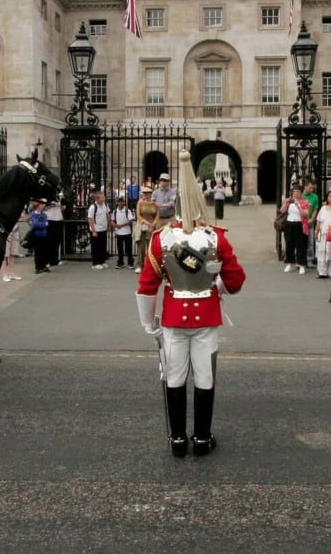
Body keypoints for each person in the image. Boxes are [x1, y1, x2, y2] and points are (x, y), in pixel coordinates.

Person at [135, 148, 246, 458]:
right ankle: (201, 437)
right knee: (205, 377)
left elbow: (147, 285)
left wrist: (148, 323)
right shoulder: (216, 238)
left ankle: (177, 439)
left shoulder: (160, 239)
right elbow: (236, 280)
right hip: (207, 317)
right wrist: (218, 284)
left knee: (174, 376)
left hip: (173, 318)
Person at [280, 184, 310, 275]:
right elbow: (282, 211)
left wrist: (298, 205)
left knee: (300, 245)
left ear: (301, 193)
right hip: (289, 224)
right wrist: (286, 203)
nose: (295, 194)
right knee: (289, 244)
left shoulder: (305, 202)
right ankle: (289, 263)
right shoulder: (290, 202)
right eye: (294, 192)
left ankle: (301, 264)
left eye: (297, 192)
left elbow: (305, 214)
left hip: (300, 224)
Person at [313, 190, 331, 279]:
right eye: (330, 196)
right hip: (323, 234)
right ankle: (322, 272)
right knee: (322, 252)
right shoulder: (323, 208)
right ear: (327, 198)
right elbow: (319, 221)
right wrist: (316, 231)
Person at [87, 188, 111, 269]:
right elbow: (90, 219)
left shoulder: (105, 205)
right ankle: (95, 263)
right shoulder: (93, 207)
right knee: (95, 247)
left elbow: (107, 215)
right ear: (97, 199)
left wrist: (109, 225)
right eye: (102, 197)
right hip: (96, 230)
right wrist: (94, 231)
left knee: (102, 246)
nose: (104, 198)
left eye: (103, 197)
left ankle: (102, 261)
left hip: (103, 229)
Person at [1, 206, 26, 282]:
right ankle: (5, 275)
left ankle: (11, 273)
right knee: (6, 254)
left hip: (15, 228)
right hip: (6, 229)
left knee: (13, 253)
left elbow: (22, 216)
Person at [112, 194, 137, 269]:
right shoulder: (115, 211)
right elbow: (112, 220)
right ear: (117, 202)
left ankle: (130, 263)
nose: (120, 203)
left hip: (127, 232)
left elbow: (131, 221)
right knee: (120, 249)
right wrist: (115, 225)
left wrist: (121, 225)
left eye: (122, 201)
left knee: (128, 249)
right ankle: (120, 262)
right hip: (119, 233)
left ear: (124, 202)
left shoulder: (127, 211)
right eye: (119, 201)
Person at [28, 199, 52, 274]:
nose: (43, 206)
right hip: (36, 235)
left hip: (44, 235)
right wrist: (44, 224)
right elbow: (35, 224)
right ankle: (38, 267)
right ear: (38, 205)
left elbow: (45, 223)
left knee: (44, 251)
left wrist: (42, 224)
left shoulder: (44, 214)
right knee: (38, 252)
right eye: (41, 204)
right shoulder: (32, 214)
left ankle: (44, 265)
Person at [135, 185, 158, 260]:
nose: (145, 194)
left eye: (147, 193)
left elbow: (157, 215)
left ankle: (150, 263)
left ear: (150, 194)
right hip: (142, 225)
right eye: (144, 193)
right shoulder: (140, 202)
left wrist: (153, 224)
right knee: (141, 247)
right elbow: (138, 215)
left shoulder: (154, 203)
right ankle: (140, 263)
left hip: (151, 226)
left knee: (150, 246)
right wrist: (146, 223)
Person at [301, 179, 320, 268]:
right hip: (300, 222)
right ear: (305, 186)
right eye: (310, 188)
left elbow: (315, 209)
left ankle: (309, 259)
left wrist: (312, 219)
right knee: (300, 242)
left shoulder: (314, 197)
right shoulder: (301, 196)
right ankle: (300, 259)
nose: (311, 190)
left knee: (310, 242)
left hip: (309, 223)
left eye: (313, 188)